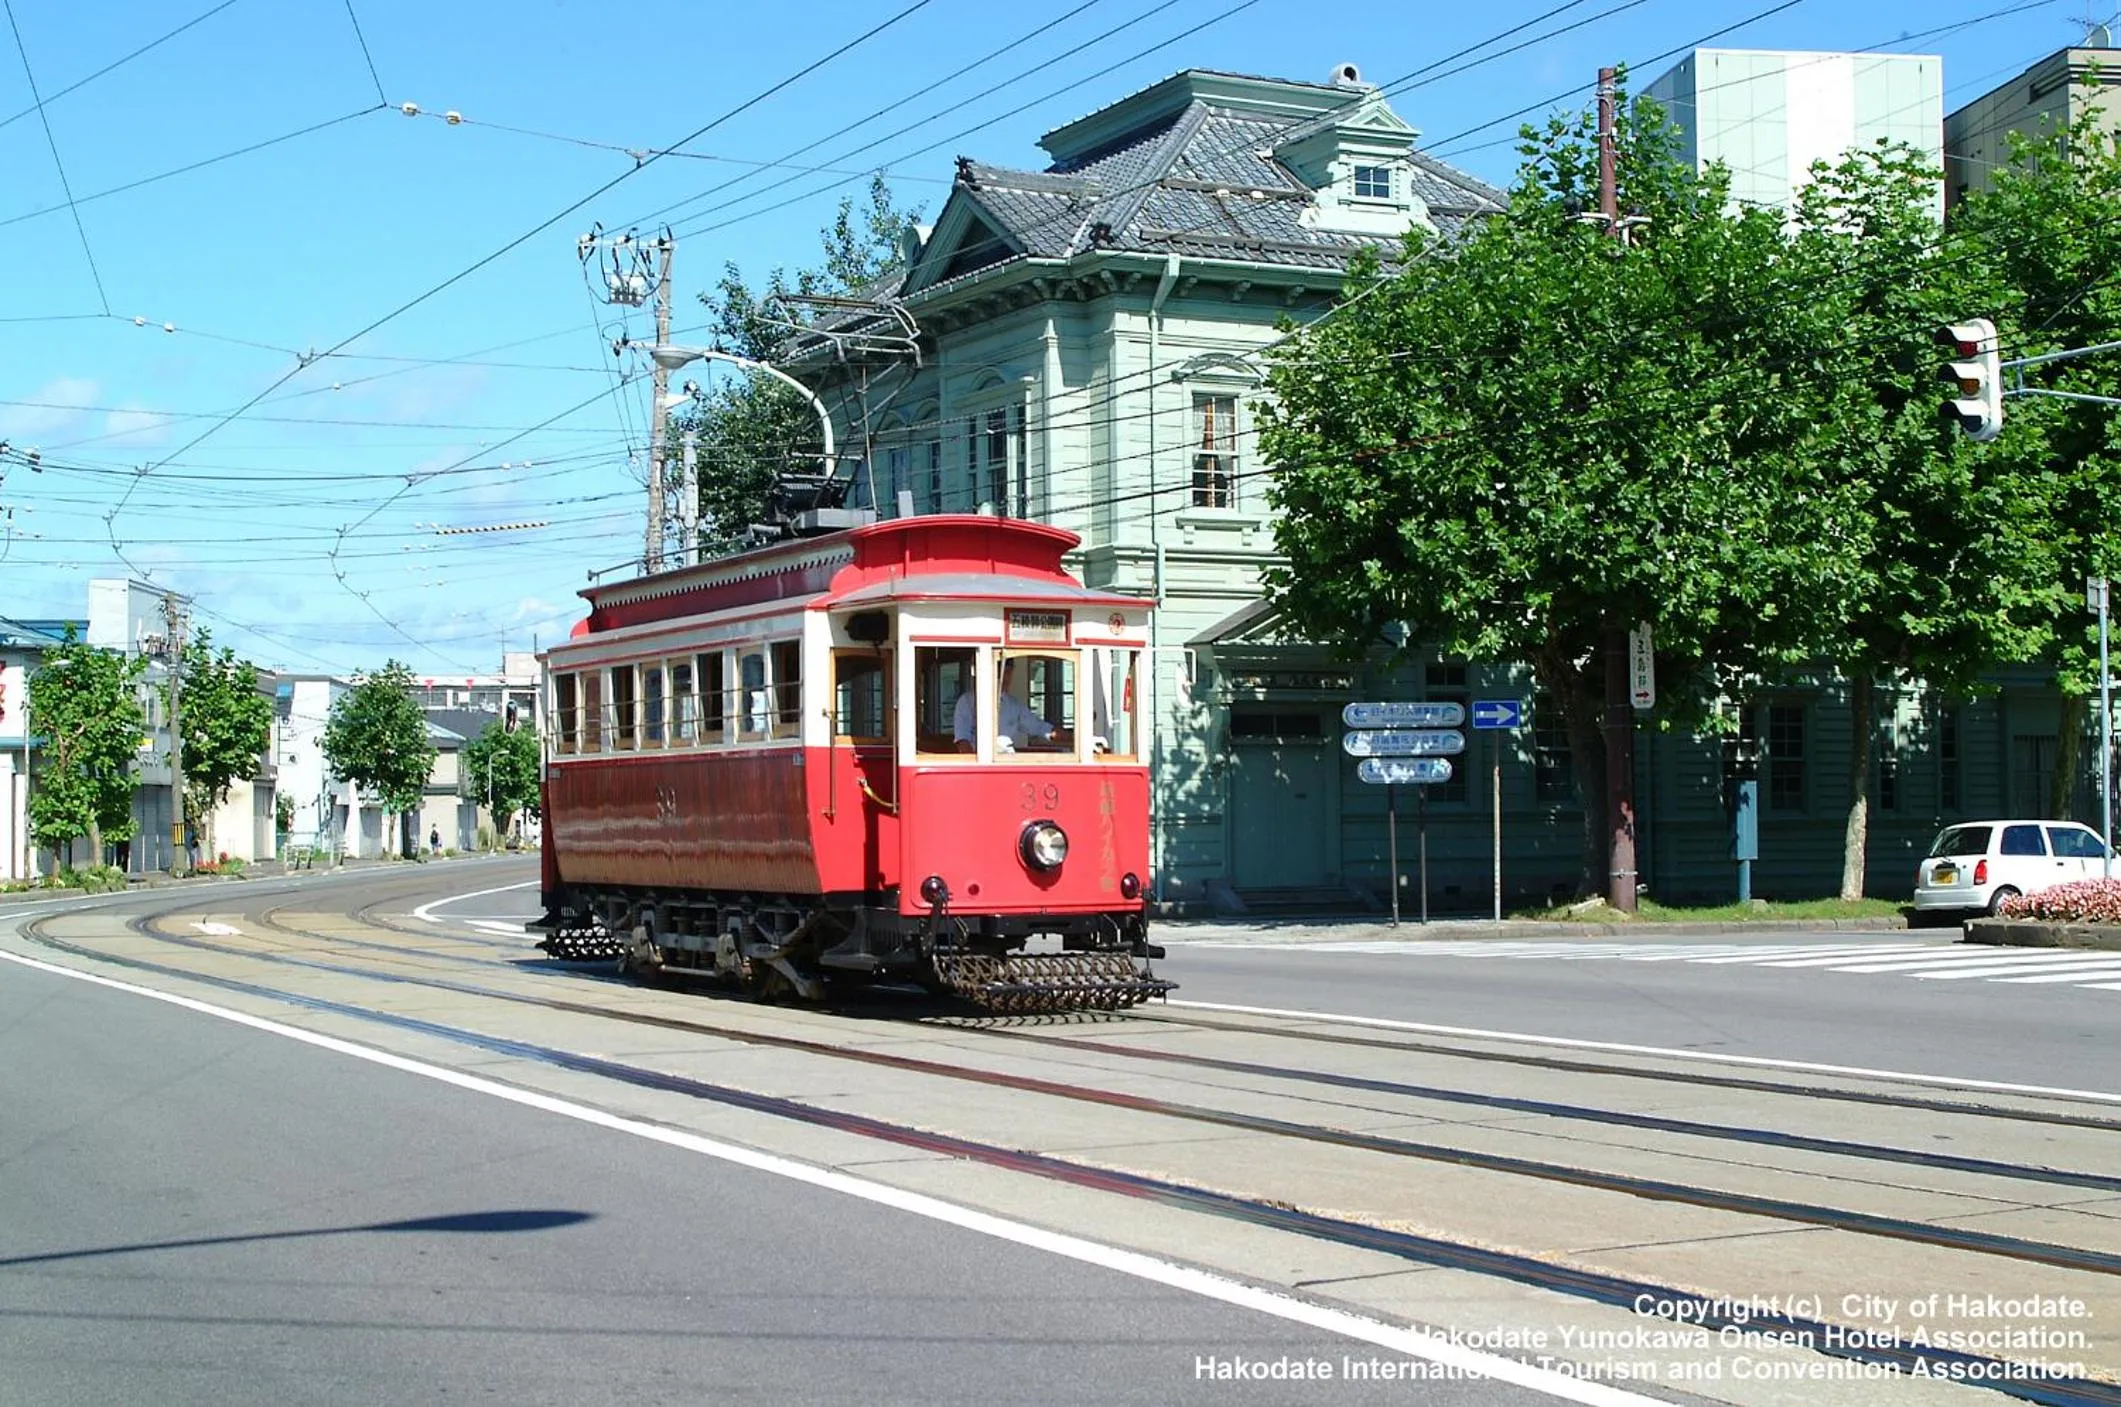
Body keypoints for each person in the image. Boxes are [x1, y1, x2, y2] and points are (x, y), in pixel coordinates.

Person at [954, 657, 1069, 753]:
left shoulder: (1013, 705)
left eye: (1009, 673)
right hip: (982, 764)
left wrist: (1074, 739)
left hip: (1007, 762)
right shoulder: (967, 702)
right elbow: (962, 740)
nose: (1006, 678)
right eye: (1001, 673)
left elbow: (1039, 727)